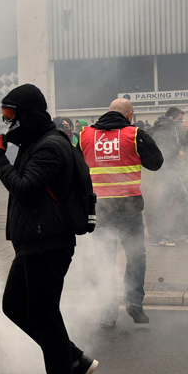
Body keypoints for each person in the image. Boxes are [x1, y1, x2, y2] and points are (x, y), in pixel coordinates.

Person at [0, 83, 98, 374]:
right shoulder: (37, 142)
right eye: (5, 116)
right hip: (34, 241)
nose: (8, 123)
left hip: (47, 242)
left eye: (12, 116)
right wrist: (11, 146)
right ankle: (74, 361)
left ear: (29, 115)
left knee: (44, 315)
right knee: (14, 306)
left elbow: (24, 187)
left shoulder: (49, 147)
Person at [80, 98, 163, 325]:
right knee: (135, 256)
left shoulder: (85, 135)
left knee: (103, 260)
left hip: (98, 209)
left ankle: (107, 313)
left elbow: (74, 168)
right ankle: (134, 302)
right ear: (130, 115)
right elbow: (156, 163)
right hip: (128, 207)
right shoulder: (134, 134)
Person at [148, 107, 188, 245]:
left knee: (183, 200)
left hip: (172, 171)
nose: (181, 122)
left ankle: (175, 233)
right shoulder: (166, 124)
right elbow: (160, 143)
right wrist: (176, 153)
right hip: (166, 171)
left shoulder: (171, 128)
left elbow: (181, 142)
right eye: (180, 120)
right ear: (173, 117)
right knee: (166, 203)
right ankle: (156, 238)